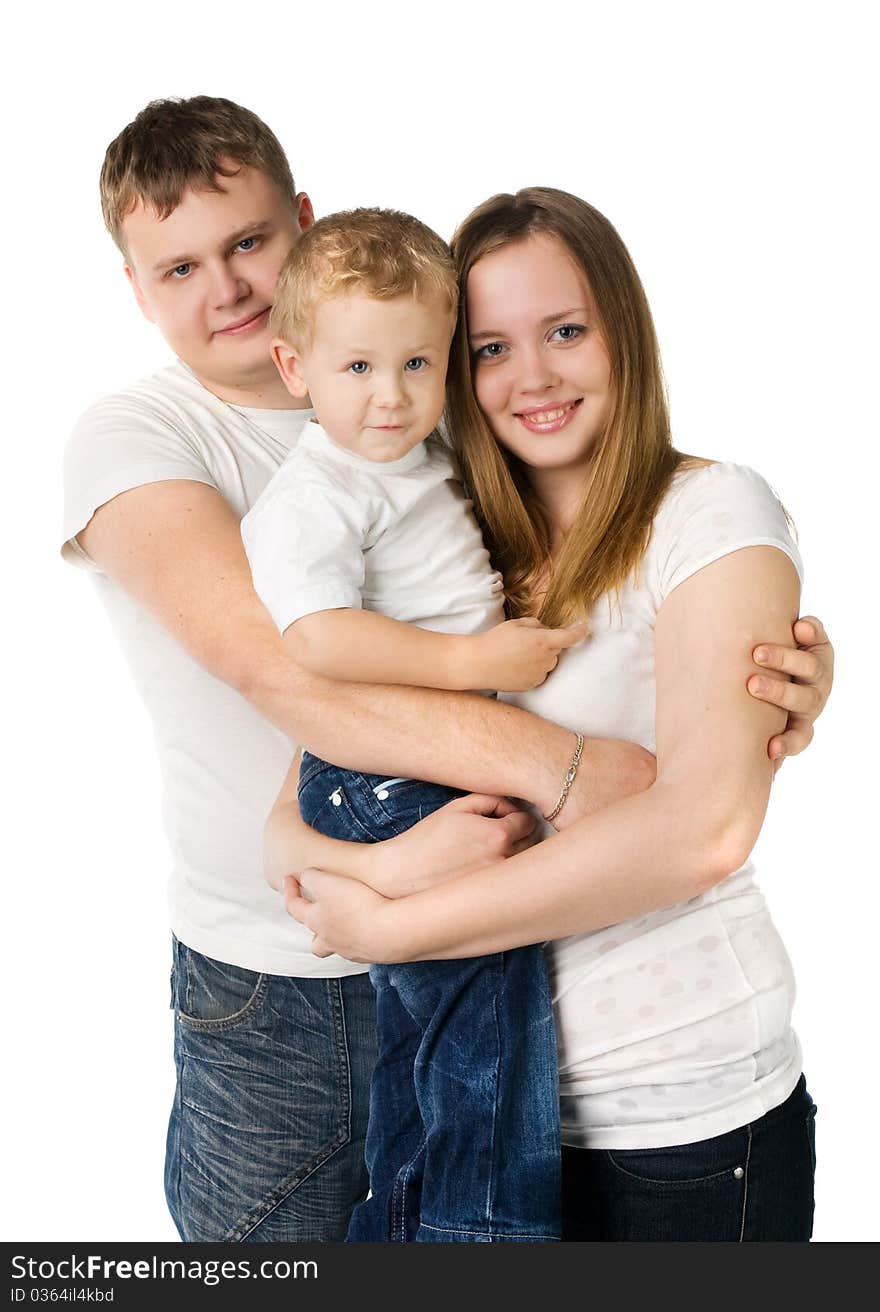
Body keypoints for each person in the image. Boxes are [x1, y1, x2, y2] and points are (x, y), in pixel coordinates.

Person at [60, 95, 832, 1243]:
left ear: (307, 233)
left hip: (615, 1061)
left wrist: (760, 678)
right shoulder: (145, 440)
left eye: (249, 244)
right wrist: (565, 771)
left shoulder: (455, 477)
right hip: (285, 973)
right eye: (176, 267)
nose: (223, 286)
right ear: (132, 288)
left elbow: (701, 804)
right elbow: (288, 678)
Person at [281, 188, 825, 1241]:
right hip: (476, 1121)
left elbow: (703, 829)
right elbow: (296, 804)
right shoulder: (435, 545)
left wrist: (394, 925)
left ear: (624, 331)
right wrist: (380, 866)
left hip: (683, 1118)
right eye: (489, 348)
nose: (530, 376)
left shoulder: (710, 514)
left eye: (565, 331)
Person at [241, 207, 576, 1242]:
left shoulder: (410, 459)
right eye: (356, 368)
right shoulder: (316, 494)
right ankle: (475, 1240)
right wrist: (473, 662)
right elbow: (317, 639)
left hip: (421, 757)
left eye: (417, 363)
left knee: (451, 1044)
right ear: (295, 367)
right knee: (481, 1037)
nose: (390, 397)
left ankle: (418, 1233)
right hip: (392, 776)